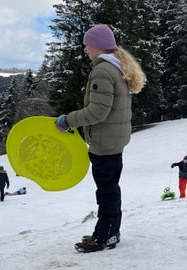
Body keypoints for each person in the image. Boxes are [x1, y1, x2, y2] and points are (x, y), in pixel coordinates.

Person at [54, 24, 146, 253]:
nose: (85, 49)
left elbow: (97, 112)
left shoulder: (103, 71)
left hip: (105, 144)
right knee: (111, 189)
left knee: (106, 192)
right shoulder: (117, 68)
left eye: (88, 44)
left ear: (97, 46)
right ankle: (112, 232)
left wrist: (68, 121)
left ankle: (103, 236)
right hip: (114, 141)